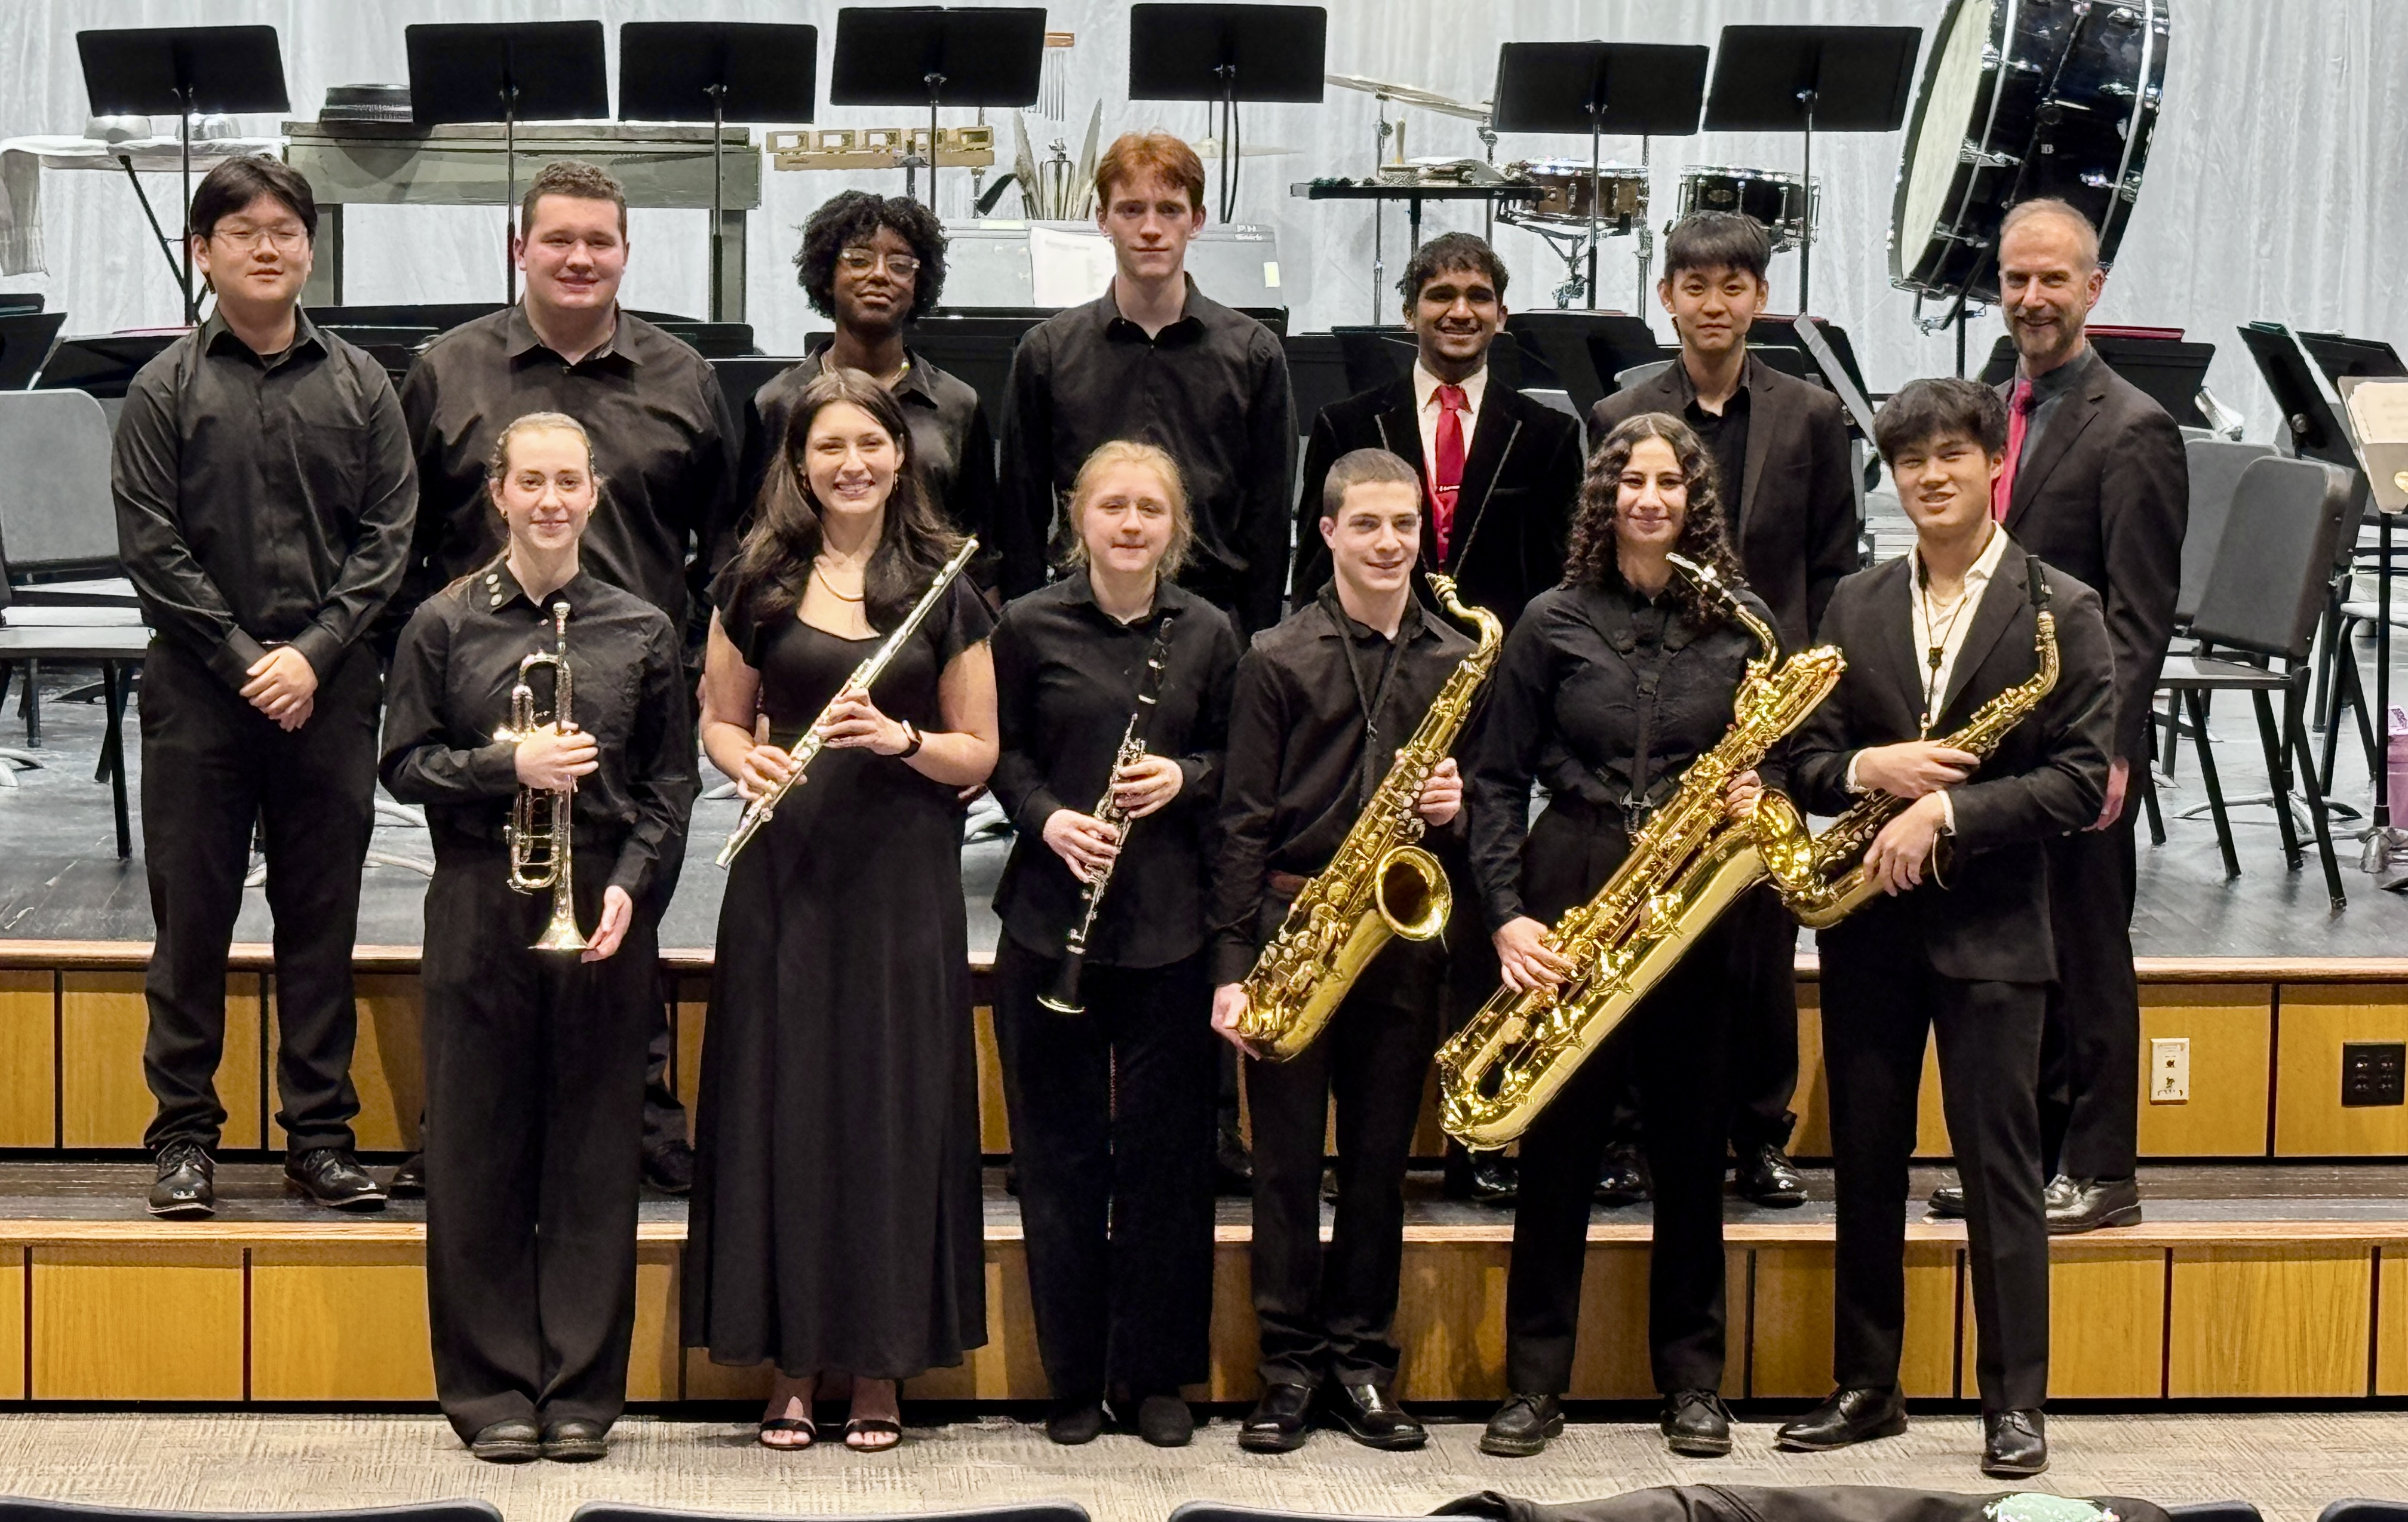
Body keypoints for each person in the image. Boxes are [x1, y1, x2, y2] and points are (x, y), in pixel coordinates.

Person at [1777, 377, 2113, 1479]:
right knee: (1863, 1167)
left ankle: (2014, 1404)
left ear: (1991, 466)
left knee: (1999, 1169)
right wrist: (1866, 768)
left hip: (1995, 931)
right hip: (1869, 926)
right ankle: (1866, 1384)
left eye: (1950, 456)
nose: (1930, 476)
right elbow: (1807, 759)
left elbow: (2076, 781)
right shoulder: (1852, 603)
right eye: (1911, 459)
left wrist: (1950, 808)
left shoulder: (2064, 606)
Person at [398, 158, 737, 1197]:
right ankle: (466, 1127)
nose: (579, 257)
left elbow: (723, 547)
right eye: (558, 239)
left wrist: (687, 673)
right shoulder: (447, 370)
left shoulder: (685, 377)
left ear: (626, 252)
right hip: (489, 700)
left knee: (623, 911)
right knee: (490, 925)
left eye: (599, 240)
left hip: (638, 696)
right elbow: (406, 539)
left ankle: (633, 1117)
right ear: (521, 248)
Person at [684, 369, 998, 1453]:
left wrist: (904, 741)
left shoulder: (944, 582)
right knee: (787, 1108)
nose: (852, 463)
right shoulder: (756, 577)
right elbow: (720, 719)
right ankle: (789, 1363)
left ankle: (879, 1366)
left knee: (889, 1112)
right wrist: (749, 760)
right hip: (789, 872)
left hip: (902, 876)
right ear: (800, 463)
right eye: (830, 447)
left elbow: (978, 750)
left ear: (900, 455)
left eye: (871, 442)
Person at [382, 412, 696, 1463]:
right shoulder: (442, 623)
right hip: (481, 898)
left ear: (595, 492)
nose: (551, 499)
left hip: (600, 907)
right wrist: (504, 767)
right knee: (476, 1151)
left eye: (569, 480)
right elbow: (405, 764)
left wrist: (634, 889)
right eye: (532, 482)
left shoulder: (643, 629)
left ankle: (579, 1391)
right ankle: (488, 1389)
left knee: (595, 1153)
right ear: (499, 493)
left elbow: (669, 784)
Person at [112, 156, 413, 1220]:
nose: (268, 246)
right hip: (200, 689)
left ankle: (320, 1137)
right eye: (241, 231)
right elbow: (151, 547)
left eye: (285, 228)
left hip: (328, 692)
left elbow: (390, 536)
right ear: (204, 252)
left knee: (318, 917)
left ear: (310, 248)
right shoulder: (164, 388)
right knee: (189, 919)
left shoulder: (364, 383)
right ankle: (184, 1135)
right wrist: (248, 657)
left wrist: (316, 652)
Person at [1469, 413, 1771, 1460]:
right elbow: (1496, 781)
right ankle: (1533, 1383)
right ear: (1606, 498)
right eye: (1631, 481)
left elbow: (1782, 764)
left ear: (1695, 500)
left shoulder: (1740, 627)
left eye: (1670, 482)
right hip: (1575, 883)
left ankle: (1692, 1381)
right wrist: (1506, 913)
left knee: (1693, 1151)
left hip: (1693, 900)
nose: (1650, 498)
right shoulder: (1549, 619)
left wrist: (1757, 786)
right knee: (1558, 1148)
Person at [1590, 210, 1861, 1210]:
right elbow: (1594, 563)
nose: (1713, 304)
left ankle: (1758, 1133)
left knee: (1755, 931)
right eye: (1694, 286)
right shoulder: (1620, 410)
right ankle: (1623, 1131)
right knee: (1633, 915)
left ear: (1759, 298)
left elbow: (1834, 567)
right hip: (1648, 701)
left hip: (1767, 707)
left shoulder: (1811, 414)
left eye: (1732, 286)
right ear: (1666, 297)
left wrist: (1815, 698)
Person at [1928, 197, 2186, 1235]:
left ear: (2093, 288)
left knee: (2086, 958)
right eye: (2014, 280)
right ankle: (2025, 1163)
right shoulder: (1995, 409)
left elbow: (2139, 614)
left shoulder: (2133, 426)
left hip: (2081, 751)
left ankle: (2102, 1166)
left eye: (2052, 280)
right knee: (2017, 954)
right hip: (2000, 751)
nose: (2031, 299)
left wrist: (2112, 752)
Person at [1210, 447, 1470, 1455]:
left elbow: (1471, 810)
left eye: (1404, 524)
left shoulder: (1452, 655)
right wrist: (1232, 967)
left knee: (1373, 1166)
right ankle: (1286, 1369)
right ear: (1325, 533)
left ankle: (1362, 1365)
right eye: (1366, 523)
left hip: (1399, 938)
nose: (1389, 542)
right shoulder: (1276, 654)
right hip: (1292, 924)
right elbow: (1236, 824)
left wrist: (1453, 807)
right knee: (1281, 1167)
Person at [988, 441, 1241, 1449]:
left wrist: (1183, 776)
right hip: (1050, 920)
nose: (1131, 524)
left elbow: (1236, 755)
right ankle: (1073, 1374)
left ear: (1172, 526)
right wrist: (1049, 816)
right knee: (1057, 1159)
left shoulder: (1211, 630)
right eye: (1112, 507)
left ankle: (1156, 1373)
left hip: (1169, 925)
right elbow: (998, 749)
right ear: (1077, 518)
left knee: (1167, 1163)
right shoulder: (1027, 622)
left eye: (1149, 509)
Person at [997, 132, 1296, 635]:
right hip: (1077, 623)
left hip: (1217, 622)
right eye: (1131, 210)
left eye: (1171, 210)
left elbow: (1270, 520)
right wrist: (1023, 636)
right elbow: (1021, 512)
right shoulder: (1046, 352)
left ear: (1197, 221)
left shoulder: (1255, 354)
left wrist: (1257, 643)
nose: (1151, 229)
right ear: (1102, 220)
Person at [1292, 232, 1583, 632]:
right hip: (1369, 663)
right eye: (1441, 295)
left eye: (1479, 297)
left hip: (1506, 670)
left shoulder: (1551, 435)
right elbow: (1314, 573)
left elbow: (1564, 580)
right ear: (1410, 312)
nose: (1461, 312)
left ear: (1501, 316)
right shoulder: (1344, 427)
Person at [738, 190, 995, 559]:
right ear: (827, 276)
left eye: (900, 264)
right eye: (858, 260)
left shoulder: (957, 405)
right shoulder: (777, 403)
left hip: (931, 610)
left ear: (918, 284)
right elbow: (748, 540)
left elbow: (982, 550)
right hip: (802, 608)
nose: (879, 274)